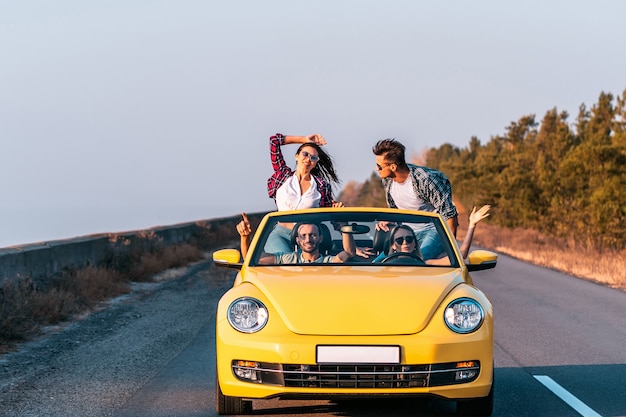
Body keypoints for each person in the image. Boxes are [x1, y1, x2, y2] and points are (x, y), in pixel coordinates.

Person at [372, 138, 459, 260]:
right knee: (378, 263)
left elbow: (450, 215)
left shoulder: (425, 181)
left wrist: (452, 253)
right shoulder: (387, 180)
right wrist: (390, 219)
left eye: (379, 166)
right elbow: (397, 209)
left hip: (433, 231)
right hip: (407, 233)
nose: (377, 169)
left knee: (419, 261)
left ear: (393, 167)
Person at [265, 133, 343, 253]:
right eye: (305, 154)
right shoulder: (283, 176)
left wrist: (352, 247)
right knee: (286, 260)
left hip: (308, 238)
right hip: (281, 234)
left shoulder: (322, 186)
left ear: (316, 162)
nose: (308, 159)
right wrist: (304, 139)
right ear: (297, 156)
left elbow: (334, 218)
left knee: (304, 267)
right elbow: (274, 141)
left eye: (313, 158)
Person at [372, 205, 491, 264]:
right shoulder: (383, 263)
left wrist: (472, 225)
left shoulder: (425, 262)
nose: (405, 243)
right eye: (399, 240)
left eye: (409, 239)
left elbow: (460, 256)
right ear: (392, 245)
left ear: (415, 243)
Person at [236, 213, 355, 264]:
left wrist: (345, 228)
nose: (308, 240)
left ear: (320, 238)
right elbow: (251, 259)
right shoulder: (289, 259)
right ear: (297, 240)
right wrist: (245, 237)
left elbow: (349, 252)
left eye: (313, 235)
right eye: (303, 236)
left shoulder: (328, 262)